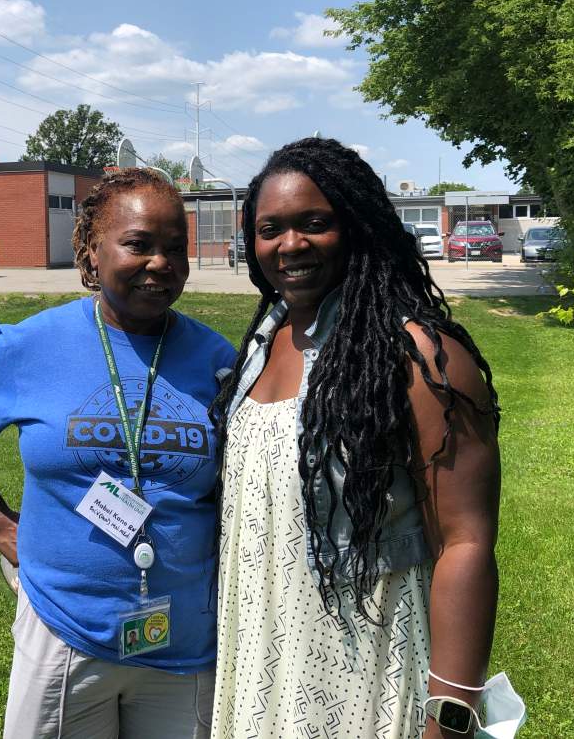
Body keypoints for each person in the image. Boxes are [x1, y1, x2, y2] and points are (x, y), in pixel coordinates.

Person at [0, 168, 236, 739]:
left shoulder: (217, 360)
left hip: (184, 637)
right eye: (138, 244)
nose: (160, 263)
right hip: (65, 626)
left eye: (174, 248)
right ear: (92, 251)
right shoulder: (35, 345)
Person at [210, 138, 501, 739]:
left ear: (357, 225)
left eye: (315, 223)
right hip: (262, 661)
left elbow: (466, 541)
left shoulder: (416, 354)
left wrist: (450, 714)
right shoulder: (263, 343)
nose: (290, 245)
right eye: (271, 229)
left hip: (369, 666)